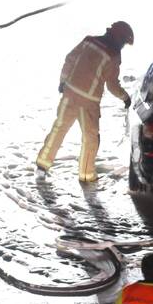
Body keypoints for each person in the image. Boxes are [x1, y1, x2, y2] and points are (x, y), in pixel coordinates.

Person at [35, 22, 134, 184]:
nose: (122, 46)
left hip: (70, 94)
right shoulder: (113, 56)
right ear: (119, 38)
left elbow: (70, 59)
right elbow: (112, 85)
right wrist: (125, 97)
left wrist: (63, 81)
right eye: (123, 42)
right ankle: (87, 176)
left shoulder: (89, 41)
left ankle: (42, 166)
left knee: (59, 130)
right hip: (89, 104)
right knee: (90, 139)